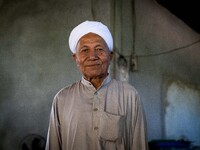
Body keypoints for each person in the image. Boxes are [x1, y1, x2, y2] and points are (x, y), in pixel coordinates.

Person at [45, 20, 148, 150]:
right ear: (75, 58)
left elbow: (139, 145)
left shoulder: (129, 95)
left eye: (99, 49)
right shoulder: (61, 99)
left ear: (110, 56)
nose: (92, 56)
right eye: (84, 50)